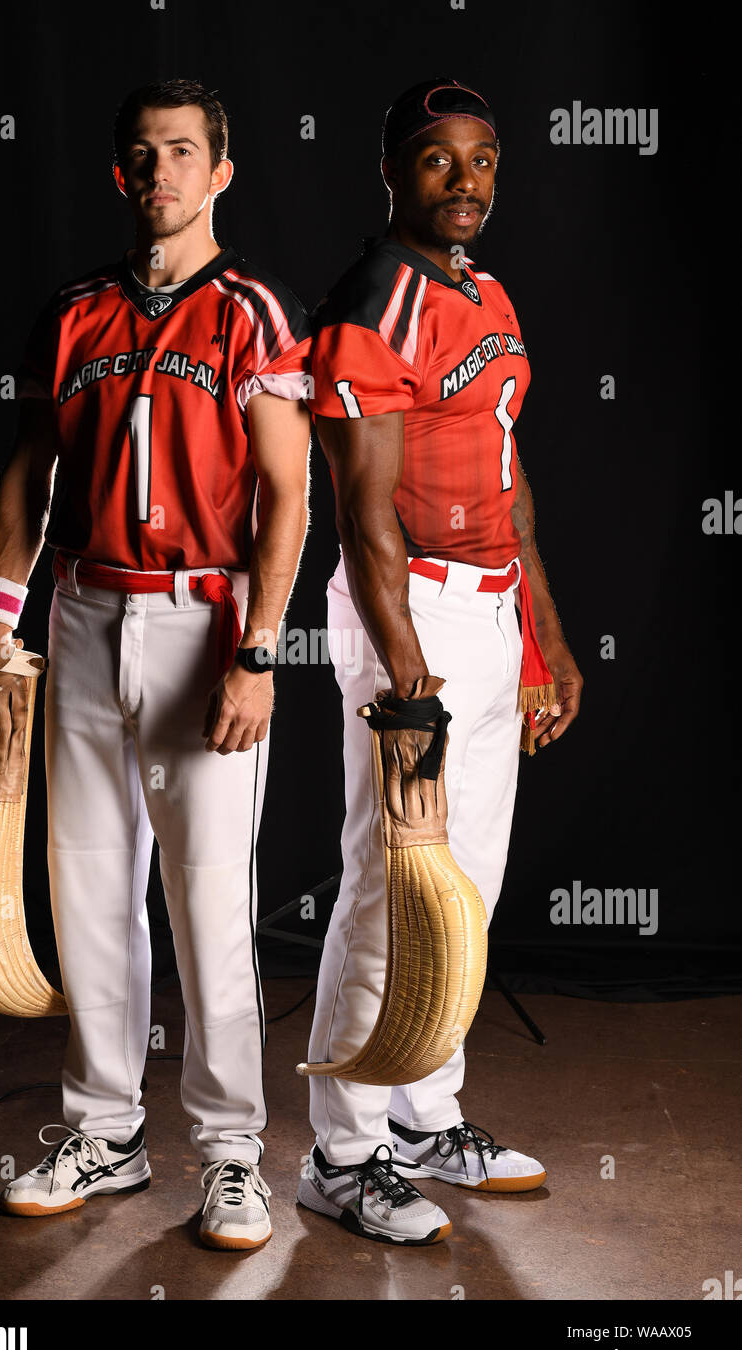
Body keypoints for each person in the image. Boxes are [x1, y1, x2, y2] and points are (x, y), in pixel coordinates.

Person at [0, 79, 311, 1250]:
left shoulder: (253, 312)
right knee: (88, 891)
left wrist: (258, 652)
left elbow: (288, 494)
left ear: (220, 172)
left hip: (200, 619)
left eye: (181, 151)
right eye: (140, 153)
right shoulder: (70, 311)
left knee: (209, 901)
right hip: (80, 612)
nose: (157, 170)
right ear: (120, 174)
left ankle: (228, 1154)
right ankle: (104, 1130)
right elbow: (28, 473)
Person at [297, 77, 583, 1245]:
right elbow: (361, 516)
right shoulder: (372, 299)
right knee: (387, 884)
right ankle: (340, 1149)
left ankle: (422, 1114)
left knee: (464, 877)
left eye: (481, 161)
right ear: (392, 173)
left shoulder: (491, 295)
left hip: (488, 607)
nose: (463, 183)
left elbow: (508, 484)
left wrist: (542, 638)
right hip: (400, 606)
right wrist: (408, 682)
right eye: (435, 162)